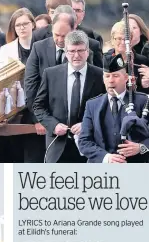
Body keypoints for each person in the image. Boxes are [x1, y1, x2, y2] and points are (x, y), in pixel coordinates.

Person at [33, 30, 105, 163]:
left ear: (88, 52)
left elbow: (106, 110)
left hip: (89, 147)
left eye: (80, 50)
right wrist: (53, 125)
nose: (76, 55)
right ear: (66, 53)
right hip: (57, 145)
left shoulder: (100, 75)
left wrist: (87, 124)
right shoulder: (51, 74)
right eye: (72, 51)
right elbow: (38, 106)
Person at [78, 53, 149, 163]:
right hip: (101, 172)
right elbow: (84, 141)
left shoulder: (144, 101)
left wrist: (140, 147)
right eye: (107, 76)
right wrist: (106, 158)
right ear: (103, 78)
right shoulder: (92, 105)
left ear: (126, 78)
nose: (111, 80)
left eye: (115, 76)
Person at [0, 8, 45, 162]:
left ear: (33, 24)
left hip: (39, 105)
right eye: (17, 25)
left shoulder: (43, 46)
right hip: (15, 107)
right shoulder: (6, 50)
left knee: (35, 152)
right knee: (15, 152)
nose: (21, 28)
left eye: (25, 23)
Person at [104, 21, 149, 95]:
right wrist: (139, 83)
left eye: (126, 39)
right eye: (118, 38)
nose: (122, 42)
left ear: (131, 40)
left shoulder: (142, 61)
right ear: (112, 40)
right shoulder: (105, 59)